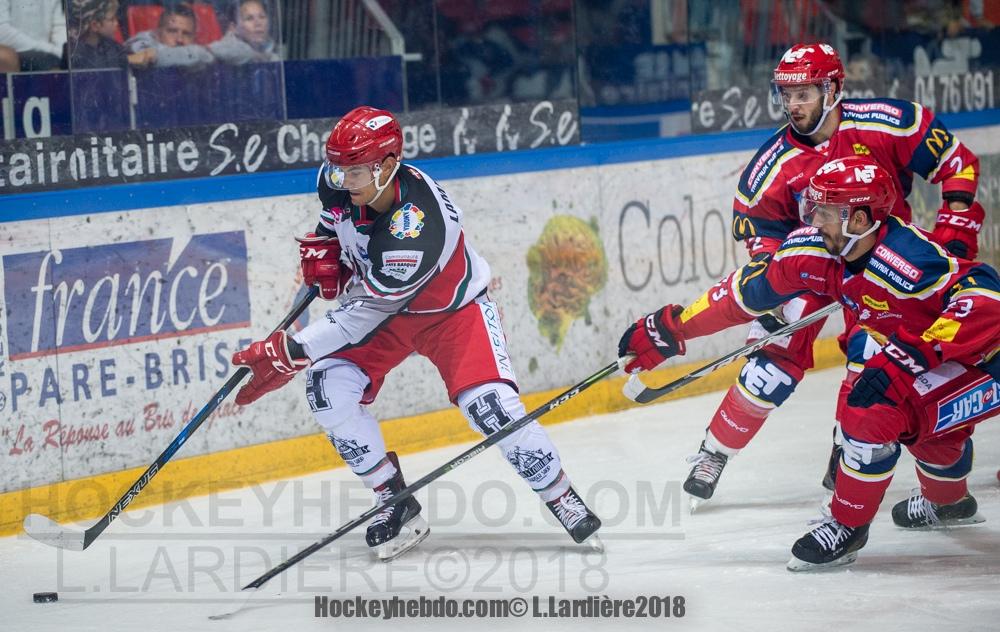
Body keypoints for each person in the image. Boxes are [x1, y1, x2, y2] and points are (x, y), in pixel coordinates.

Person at [230, 106, 602, 560]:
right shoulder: (341, 181)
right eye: (338, 169)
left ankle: (559, 494)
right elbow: (333, 220)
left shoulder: (416, 229)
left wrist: (293, 348)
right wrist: (327, 248)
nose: (343, 181)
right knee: (327, 388)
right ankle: (393, 499)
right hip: (388, 316)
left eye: (355, 172)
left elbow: (364, 313)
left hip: (451, 314)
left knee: (489, 408)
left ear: (388, 166)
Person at [619, 156, 999, 570]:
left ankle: (847, 526)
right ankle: (949, 503)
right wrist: (672, 329)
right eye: (813, 207)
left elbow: (987, 298)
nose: (815, 220)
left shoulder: (907, 260)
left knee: (871, 405)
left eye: (826, 212)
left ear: (859, 220)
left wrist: (916, 353)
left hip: (984, 361)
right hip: (937, 364)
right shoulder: (815, 252)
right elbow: (746, 294)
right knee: (927, 432)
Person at [680, 42, 986, 509]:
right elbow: (761, 231)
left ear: (833, 89)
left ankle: (848, 446)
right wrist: (774, 282)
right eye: (786, 94)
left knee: (873, 358)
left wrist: (954, 230)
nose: (792, 105)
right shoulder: (771, 164)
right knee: (772, 361)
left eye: (803, 93)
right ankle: (714, 451)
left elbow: (956, 163)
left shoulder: (887, 122)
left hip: (879, 264)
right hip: (813, 263)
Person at [68, 0, 156, 69]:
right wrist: (128, 60)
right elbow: (94, 65)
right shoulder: (72, 50)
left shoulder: (109, 45)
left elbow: (127, 54)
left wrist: (145, 55)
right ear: (95, 25)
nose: (116, 23)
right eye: (112, 19)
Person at [124, 2, 213, 68]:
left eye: (186, 34)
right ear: (157, 32)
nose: (179, 39)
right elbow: (141, 54)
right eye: (172, 31)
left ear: (194, 37)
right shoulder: (142, 41)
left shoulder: (199, 53)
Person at [0, 0, 66, 71]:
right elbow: (3, 32)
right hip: (13, 50)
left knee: (69, 63)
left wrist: (61, 52)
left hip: (46, 52)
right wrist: (51, 49)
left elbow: (59, 27)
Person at [209, 0, 279, 64]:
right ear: (233, 28)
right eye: (249, 18)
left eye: (262, 17)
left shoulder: (273, 57)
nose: (258, 23)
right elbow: (208, 52)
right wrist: (253, 55)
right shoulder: (225, 48)